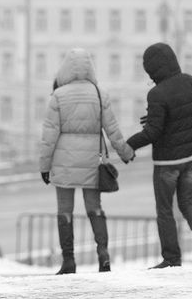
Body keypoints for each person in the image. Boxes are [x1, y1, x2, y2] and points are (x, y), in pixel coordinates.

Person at [38, 48, 134, 274]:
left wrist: (44, 167)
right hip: (92, 161)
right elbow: (112, 129)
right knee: (95, 209)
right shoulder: (99, 94)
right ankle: (103, 255)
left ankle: (69, 261)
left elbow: (49, 137)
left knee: (65, 211)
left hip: (63, 163)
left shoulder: (58, 97)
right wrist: (125, 152)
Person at [126, 43, 192, 268]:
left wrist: (130, 145)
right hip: (190, 157)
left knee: (165, 211)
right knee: (187, 203)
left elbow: (154, 132)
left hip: (167, 162)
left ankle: (172, 258)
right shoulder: (190, 81)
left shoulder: (156, 93)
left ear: (153, 69)